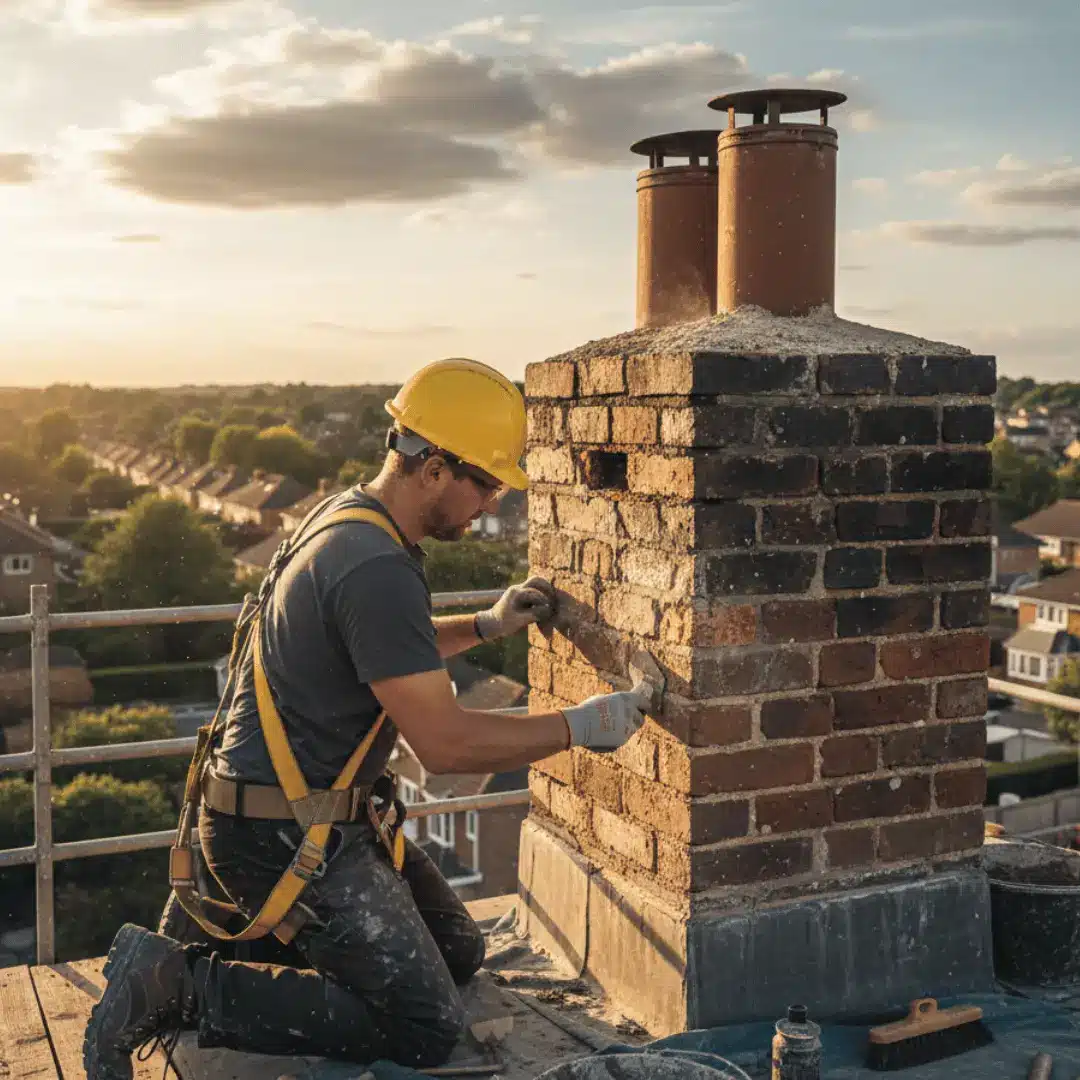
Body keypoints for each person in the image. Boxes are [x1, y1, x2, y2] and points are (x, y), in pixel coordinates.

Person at [83, 358, 650, 1080]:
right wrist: (582, 725)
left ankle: (235, 948)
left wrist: (482, 624)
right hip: (282, 835)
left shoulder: (348, 519)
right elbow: (446, 745)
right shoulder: (375, 566)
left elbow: (382, 649)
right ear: (435, 468)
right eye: (486, 482)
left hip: (291, 816)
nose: (491, 502)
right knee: (420, 1024)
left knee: (457, 953)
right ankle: (172, 984)